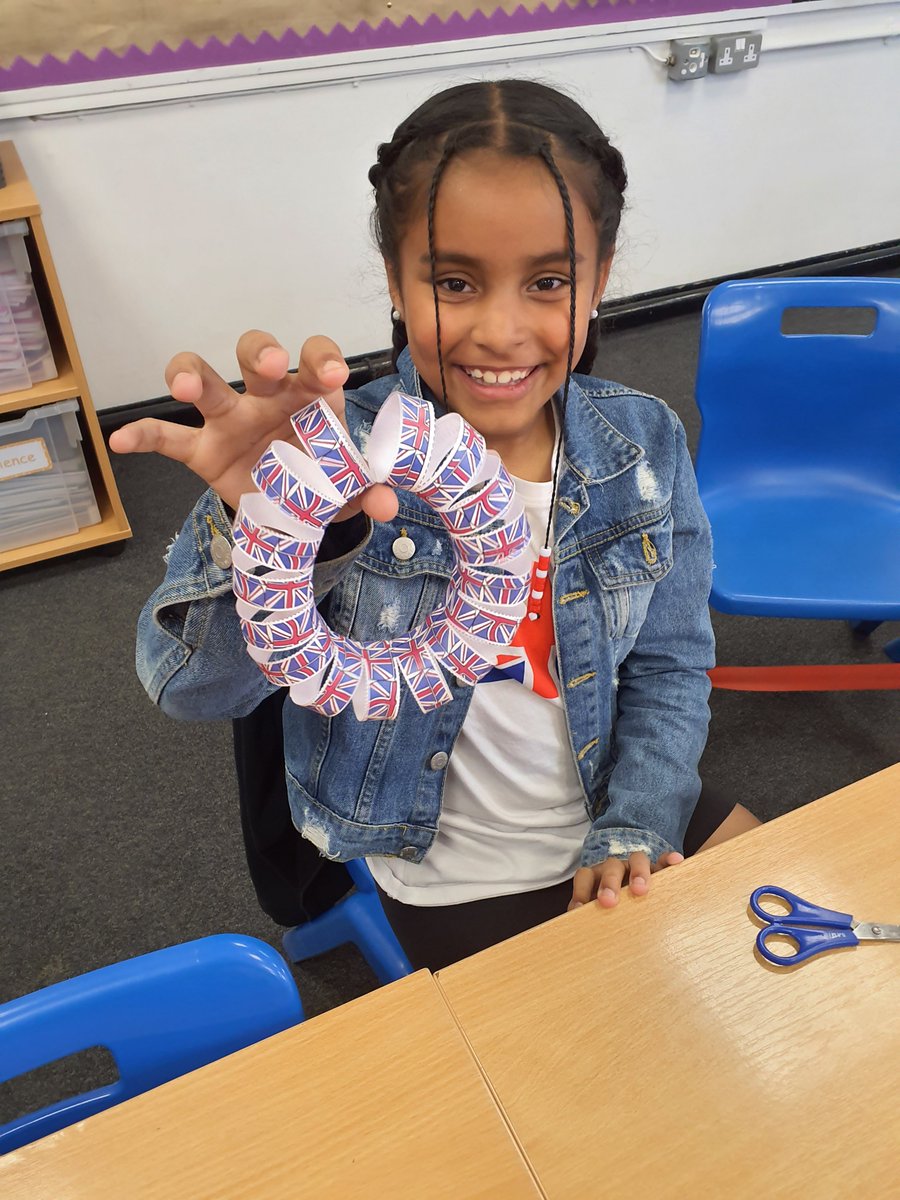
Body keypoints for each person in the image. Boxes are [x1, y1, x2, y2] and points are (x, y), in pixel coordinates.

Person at [112, 78, 758, 972]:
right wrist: (268, 524)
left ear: (601, 280)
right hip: (449, 867)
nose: (501, 331)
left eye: (548, 282)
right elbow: (193, 690)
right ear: (394, 280)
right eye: (455, 281)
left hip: (617, 793)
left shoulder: (641, 442)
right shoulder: (324, 459)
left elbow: (670, 663)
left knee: (777, 915)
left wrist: (639, 817)